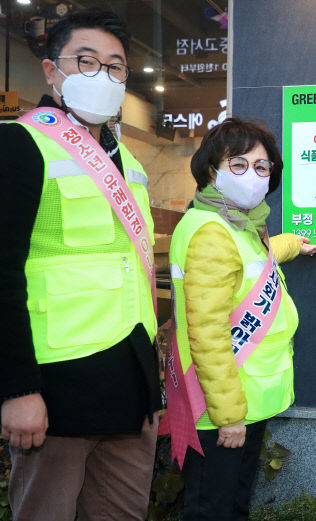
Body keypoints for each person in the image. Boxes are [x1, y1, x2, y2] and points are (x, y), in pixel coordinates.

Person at [0, 9, 161, 521]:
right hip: (56, 386)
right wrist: (17, 389)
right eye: (86, 62)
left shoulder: (127, 161)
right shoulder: (21, 144)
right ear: (52, 72)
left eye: (115, 68)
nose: (103, 77)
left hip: (129, 381)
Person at [165, 118, 316, 521]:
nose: (252, 175)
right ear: (211, 170)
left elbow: (251, 259)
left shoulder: (239, 225)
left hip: (244, 399)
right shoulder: (212, 231)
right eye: (238, 164)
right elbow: (209, 333)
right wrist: (228, 417)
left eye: (262, 166)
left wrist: (294, 245)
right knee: (213, 509)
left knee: (233, 506)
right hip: (220, 408)